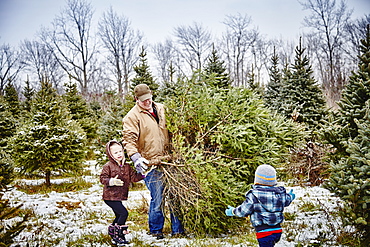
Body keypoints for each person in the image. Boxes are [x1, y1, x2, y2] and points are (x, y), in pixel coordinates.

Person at [122, 83, 185, 239]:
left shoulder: (162, 109)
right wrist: (136, 157)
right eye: (143, 100)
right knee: (157, 198)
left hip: (169, 160)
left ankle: (178, 230)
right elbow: (129, 140)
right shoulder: (132, 117)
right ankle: (156, 230)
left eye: (149, 98)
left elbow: (174, 129)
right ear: (136, 99)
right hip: (150, 164)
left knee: (175, 195)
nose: (147, 102)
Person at [225, 164, 295, 247]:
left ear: (257, 180)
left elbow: (244, 211)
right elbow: (286, 200)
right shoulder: (279, 194)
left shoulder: (253, 196)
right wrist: (291, 196)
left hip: (263, 232)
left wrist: (233, 211)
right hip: (277, 230)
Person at [100, 140, 144, 246]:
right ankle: (119, 235)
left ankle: (113, 231)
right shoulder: (108, 166)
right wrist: (111, 181)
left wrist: (143, 174)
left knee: (119, 215)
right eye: (115, 153)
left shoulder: (127, 166)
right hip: (109, 196)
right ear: (110, 154)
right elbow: (102, 178)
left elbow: (133, 178)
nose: (119, 154)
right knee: (124, 213)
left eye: (120, 151)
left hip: (119, 196)